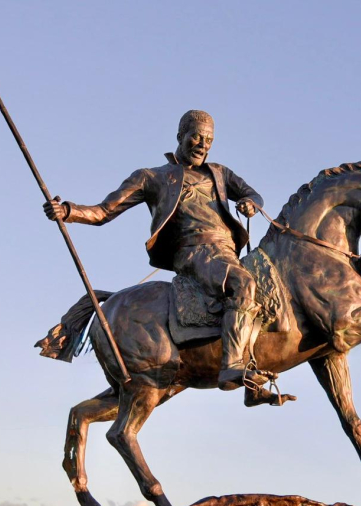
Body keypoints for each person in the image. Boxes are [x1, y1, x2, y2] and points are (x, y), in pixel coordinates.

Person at [43, 110, 267, 390]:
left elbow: (253, 194)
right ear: (180, 136)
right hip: (195, 252)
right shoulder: (152, 177)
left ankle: (254, 384)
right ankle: (232, 366)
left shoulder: (220, 173)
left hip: (227, 253)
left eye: (208, 139)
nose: (202, 145)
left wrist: (250, 203)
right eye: (196, 136)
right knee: (242, 283)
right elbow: (104, 211)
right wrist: (68, 211)